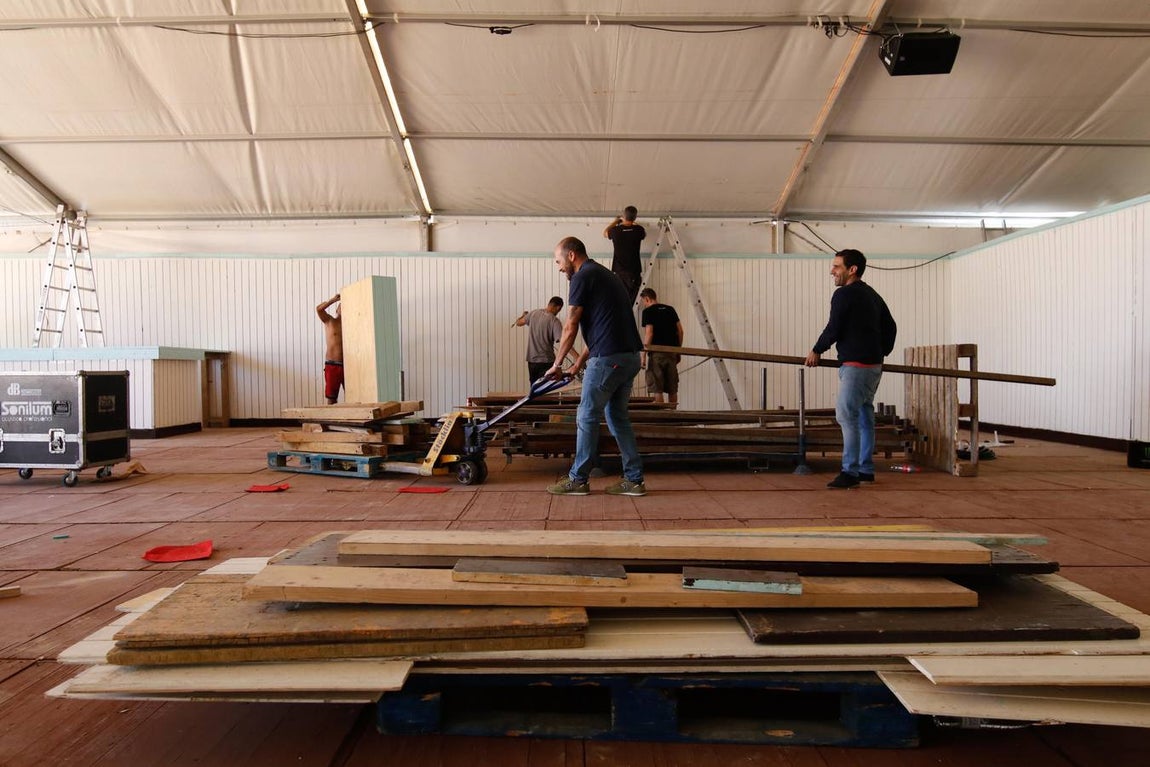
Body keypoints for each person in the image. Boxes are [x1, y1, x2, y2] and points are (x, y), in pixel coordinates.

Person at [545, 236, 646, 497]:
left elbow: (571, 324)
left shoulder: (582, 277)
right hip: (629, 357)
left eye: (558, 261)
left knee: (586, 415)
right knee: (617, 417)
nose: (558, 267)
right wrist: (577, 363)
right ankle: (633, 480)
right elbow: (603, 328)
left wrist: (557, 364)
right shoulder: (605, 276)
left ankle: (578, 479)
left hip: (609, 359)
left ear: (571, 256)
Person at [805, 249, 897, 489]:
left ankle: (850, 472)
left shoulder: (844, 295)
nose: (831, 271)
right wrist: (880, 353)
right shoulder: (872, 295)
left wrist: (816, 350)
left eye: (836, 266)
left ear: (852, 269)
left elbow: (834, 327)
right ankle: (865, 469)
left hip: (856, 366)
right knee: (864, 416)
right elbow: (891, 326)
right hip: (872, 366)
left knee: (846, 416)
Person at [639, 288, 684, 406]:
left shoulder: (648, 312)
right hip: (672, 352)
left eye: (644, 301)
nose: (644, 304)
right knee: (672, 388)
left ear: (647, 298)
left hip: (656, 353)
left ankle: (661, 418)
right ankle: (673, 418)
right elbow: (680, 331)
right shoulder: (670, 309)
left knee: (657, 388)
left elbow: (649, 333)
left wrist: (643, 355)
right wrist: (678, 351)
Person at [514, 296, 565, 385]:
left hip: (532, 361)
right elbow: (564, 342)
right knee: (547, 389)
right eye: (559, 310)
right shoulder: (554, 320)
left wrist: (524, 315)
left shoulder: (533, 314)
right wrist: (577, 358)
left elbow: (518, 323)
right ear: (558, 307)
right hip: (547, 361)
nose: (558, 312)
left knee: (534, 388)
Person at [603, 206, 646, 304]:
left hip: (620, 272)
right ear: (635, 218)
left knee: (620, 300)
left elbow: (605, 233)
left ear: (623, 216)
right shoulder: (638, 230)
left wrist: (616, 221)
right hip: (634, 271)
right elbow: (644, 233)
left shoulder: (615, 230)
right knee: (631, 302)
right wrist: (632, 223)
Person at [316, 294, 344, 404]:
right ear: (337, 309)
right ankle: (330, 421)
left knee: (353, 395)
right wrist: (333, 300)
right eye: (342, 306)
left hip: (348, 365)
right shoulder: (330, 321)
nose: (344, 307)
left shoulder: (351, 326)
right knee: (332, 398)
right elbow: (319, 309)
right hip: (333, 364)